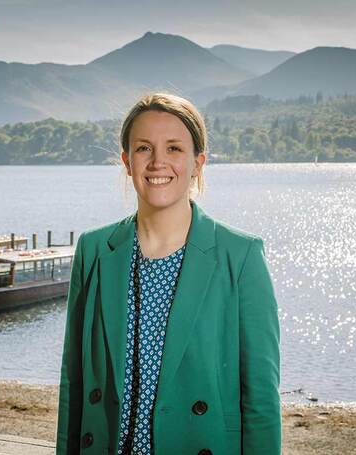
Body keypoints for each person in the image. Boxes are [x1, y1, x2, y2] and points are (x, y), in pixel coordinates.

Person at [57, 93, 281, 454]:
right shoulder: (94, 250)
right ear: (127, 162)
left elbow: (261, 401)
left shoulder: (240, 256)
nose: (158, 162)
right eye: (144, 148)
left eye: (174, 148)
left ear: (198, 163)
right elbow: (75, 385)